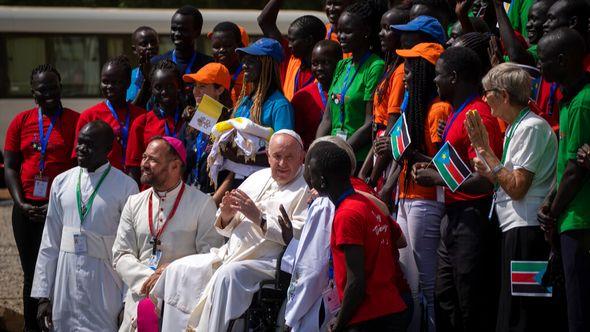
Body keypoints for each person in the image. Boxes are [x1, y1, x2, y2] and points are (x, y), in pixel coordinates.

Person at [150, 130, 310, 332]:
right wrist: (226, 214)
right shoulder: (257, 177)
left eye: (289, 157)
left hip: (266, 262)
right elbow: (225, 229)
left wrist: (259, 219)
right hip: (230, 253)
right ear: (268, 156)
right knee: (177, 269)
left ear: (301, 157)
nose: (282, 163)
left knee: (227, 276)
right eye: (277, 156)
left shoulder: (307, 186)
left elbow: (299, 234)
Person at [412, 47, 502, 332]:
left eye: (438, 76)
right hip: (453, 216)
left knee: (470, 299)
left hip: (472, 219)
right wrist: (426, 165)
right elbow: (457, 168)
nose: (434, 82)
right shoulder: (457, 112)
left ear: (453, 77)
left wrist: (436, 179)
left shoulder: (479, 116)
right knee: (445, 295)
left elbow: (488, 180)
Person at [465, 63, 559, 332]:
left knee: (526, 314)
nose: (484, 99)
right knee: (514, 310)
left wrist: (487, 152)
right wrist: (491, 168)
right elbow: (509, 180)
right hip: (515, 227)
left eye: (488, 93)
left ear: (504, 95)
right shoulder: (517, 127)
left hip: (527, 231)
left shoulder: (530, 127)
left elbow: (518, 187)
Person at [31, 121, 138, 332]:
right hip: (66, 280)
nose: (80, 148)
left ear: (108, 149)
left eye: (89, 144)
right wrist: (44, 295)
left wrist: (128, 300)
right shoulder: (61, 182)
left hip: (105, 282)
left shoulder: (126, 186)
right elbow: (50, 240)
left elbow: (131, 249)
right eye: (80, 142)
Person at [112, 136, 223, 331]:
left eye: (153, 159)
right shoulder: (134, 202)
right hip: (139, 300)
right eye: (144, 157)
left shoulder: (202, 204)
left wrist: (170, 274)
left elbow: (212, 257)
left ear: (175, 166)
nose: (144, 164)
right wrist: (150, 279)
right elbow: (121, 254)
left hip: (179, 304)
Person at [4, 64, 80, 331]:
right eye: (42, 89)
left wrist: (55, 205)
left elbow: (78, 168)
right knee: (31, 274)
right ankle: (31, 326)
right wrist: (20, 203)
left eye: (53, 87)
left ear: (61, 86)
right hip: (26, 210)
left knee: (61, 271)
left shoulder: (74, 120)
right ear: (33, 93)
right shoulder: (20, 121)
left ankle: (59, 323)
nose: (49, 93)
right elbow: (11, 166)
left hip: (60, 209)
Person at [305, 140, 407, 331]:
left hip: (369, 318)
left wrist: (340, 322)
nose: (309, 180)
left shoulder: (347, 215)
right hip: (391, 309)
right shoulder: (367, 204)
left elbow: (356, 282)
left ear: (322, 181)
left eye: (311, 174)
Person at [395, 42, 451, 332]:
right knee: (408, 276)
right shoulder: (417, 108)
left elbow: (446, 163)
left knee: (426, 282)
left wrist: (412, 155)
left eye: (410, 71)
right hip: (405, 197)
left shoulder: (440, 109)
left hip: (427, 201)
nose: (405, 76)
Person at [537, 28, 590, 332]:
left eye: (543, 60)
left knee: (580, 311)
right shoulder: (568, 100)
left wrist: (552, 211)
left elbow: (576, 169)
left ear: (564, 60)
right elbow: (566, 165)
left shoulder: (583, 101)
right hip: (567, 217)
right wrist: (550, 201)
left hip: (580, 220)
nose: (539, 66)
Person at [316, 1, 386, 165]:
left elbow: (370, 122)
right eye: (339, 31)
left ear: (366, 31)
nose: (341, 37)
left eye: (348, 32)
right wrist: (317, 148)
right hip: (331, 154)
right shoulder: (342, 65)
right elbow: (328, 118)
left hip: (355, 157)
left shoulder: (375, 66)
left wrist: (339, 152)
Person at [357, 6, 410, 188]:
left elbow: (391, 126)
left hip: (386, 155)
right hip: (378, 146)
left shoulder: (401, 71)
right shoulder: (390, 68)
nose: (381, 33)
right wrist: (364, 171)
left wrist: (372, 176)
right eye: (381, 27)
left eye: (388, 28)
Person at [75, 56, 146, 172]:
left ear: (128, 83)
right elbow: (78, 160)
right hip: (102, 182)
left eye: (115, 82)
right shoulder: (89, 116)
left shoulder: (142, 116)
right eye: (105, 82)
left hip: (137, 181)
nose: (109, 87)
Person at [125, 59, 188, 184]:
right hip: (151, 193)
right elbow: (134, 169)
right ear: (151, 89)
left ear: (179, 86)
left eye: (170, 86)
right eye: (158, 87)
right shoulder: (141, 122)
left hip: (186, 192)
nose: (164, 92)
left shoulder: (190, 119)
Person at [181, 62, 234, 204]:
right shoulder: (192, 120)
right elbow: (181, 162)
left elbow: (234, 172)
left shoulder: (232, 124)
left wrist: (213, 203)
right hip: (189, 199)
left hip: (217, 203)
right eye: (195, 86)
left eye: (202, 86)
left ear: (220, 89)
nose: (195, 91)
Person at [258, 0, 327, 100]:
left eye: (292, 40)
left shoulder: (328, 69)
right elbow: (264, 21)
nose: (289, 45)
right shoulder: (290, 58)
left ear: (309, 40)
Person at [151, 5, 213, 104]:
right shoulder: (157, 63)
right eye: (174, 29)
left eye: (183, 30)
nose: (177, 34)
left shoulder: (209, 66)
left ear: (197, 32)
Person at [291, 40, 343, 149]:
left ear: (340, 63)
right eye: (315, 64)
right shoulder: (302, 97)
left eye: (326, 63)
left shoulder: (349, 93)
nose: (319, 68)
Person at [209, 21, 247, 104]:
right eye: (216, 47)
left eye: (227, 46)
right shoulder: (208, 76)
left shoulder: (249, 77)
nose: (222, 50)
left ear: (239, 46)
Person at [126, 26, 159, 108]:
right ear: (134, 49)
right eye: (144, 44)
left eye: (153, 43)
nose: (150, 46)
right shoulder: (128, 76)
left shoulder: (167, 73)